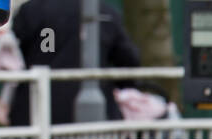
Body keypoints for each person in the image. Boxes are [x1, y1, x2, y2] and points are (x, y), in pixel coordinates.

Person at [7, 0, 141, 128]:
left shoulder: (31, 10)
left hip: (34, 115)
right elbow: (129, 63)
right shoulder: (106, 13)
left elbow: (9, 59)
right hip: (96, 122)